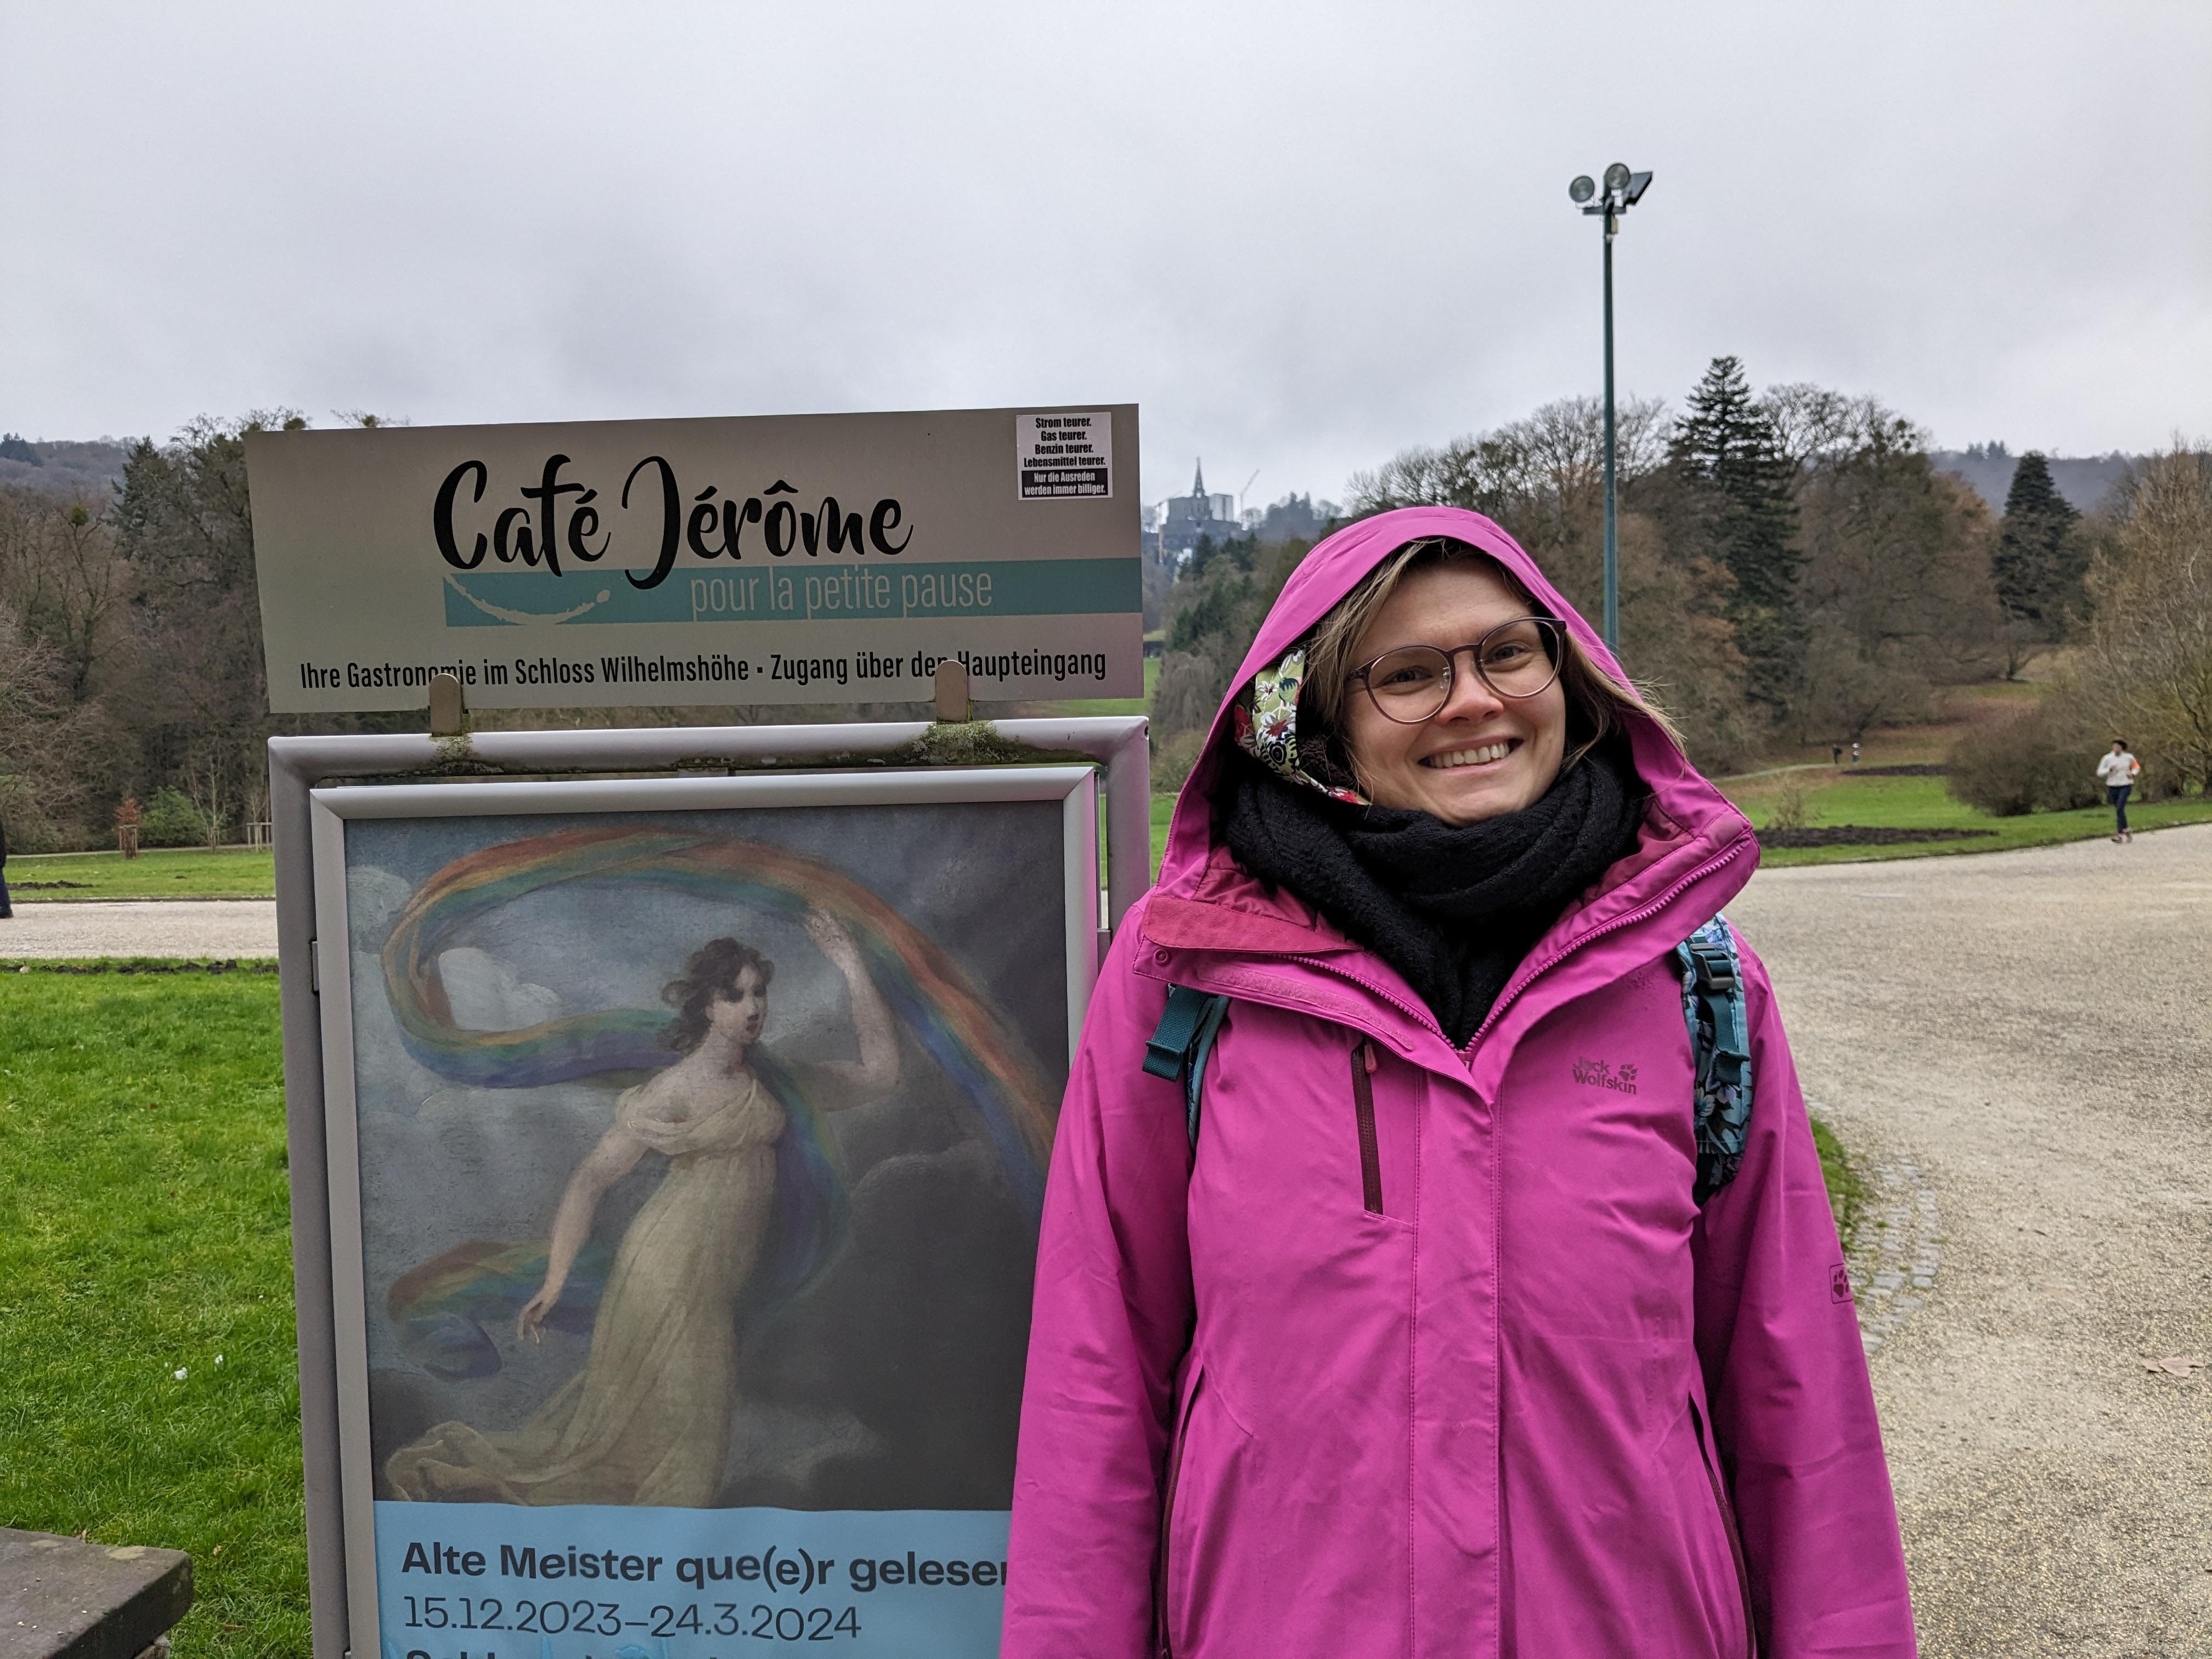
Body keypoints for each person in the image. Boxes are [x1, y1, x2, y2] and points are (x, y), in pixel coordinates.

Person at [1003, 507, 1915, 1658]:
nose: (1474, 700)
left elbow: (1798, 1388)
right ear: (1321, 720)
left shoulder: (1697, 980)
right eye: (1408, 674)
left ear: (1567, 675)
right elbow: (1097, 1367)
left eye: (1508, 653)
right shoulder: (1187, 970)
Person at [386, 912, 895, 1506]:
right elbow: (592, 1178)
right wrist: (556, 1278)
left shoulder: (776, 1082)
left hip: (715, 1288)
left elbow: (880, 1077)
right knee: (683, 1449)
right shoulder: (675, 1088)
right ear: (707, 1006)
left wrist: (851, 967)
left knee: (683, 1446)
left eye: (759, 992)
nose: (753, 1006)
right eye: (735, 995)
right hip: (666, 1273)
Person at [2096, 738, 2141, 842]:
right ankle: (2127, 830)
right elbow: (2099, 773)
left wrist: (2132, 774)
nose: (2116, 748)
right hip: (2113, 786)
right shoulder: (2107, 758)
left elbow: (2137, 767)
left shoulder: (2129, 757)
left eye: (2118, 746)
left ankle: (2120, 835)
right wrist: (2109, 770)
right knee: (2119, 810)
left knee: (2120, 807)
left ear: (2122, 748)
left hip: (2125, 785)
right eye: (2114, 746)